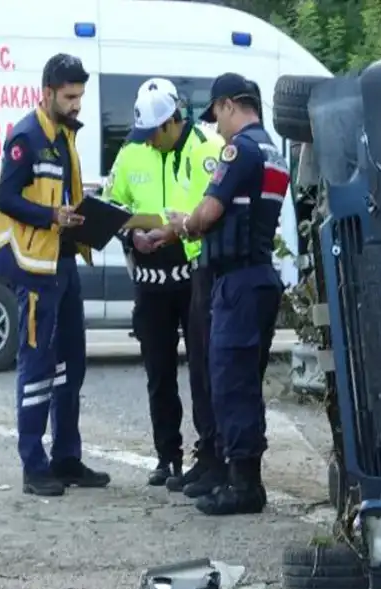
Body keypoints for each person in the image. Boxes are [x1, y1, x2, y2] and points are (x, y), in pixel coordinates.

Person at [161, 73, 286, 516]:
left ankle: (243, 485)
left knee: (231, 383)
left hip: (236, 280)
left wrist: (183, 223)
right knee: (245, 383)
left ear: (230, 104)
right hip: (259, 276)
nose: (216, 128)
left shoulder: (241, 150)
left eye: (218, 116)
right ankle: (241, 476)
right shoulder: (273, 150)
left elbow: (209, 212)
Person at [0, 54, 111, 497]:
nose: (77, 104)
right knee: (37, 367)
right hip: (34, 265)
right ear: (48, 92)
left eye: (80, 95)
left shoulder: (64, 135)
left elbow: (63, 192)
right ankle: (34, 465)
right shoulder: (27, 136)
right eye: (70, 96)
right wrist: (51, 216)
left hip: (63, 261)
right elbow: (5, 197)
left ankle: (66, 458)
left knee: (70, 366)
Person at [104, 78, 223, 489]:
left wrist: (172, 232)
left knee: (204, 372)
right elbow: (112, 204)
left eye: (154, 134)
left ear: (173, 122)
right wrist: (128, 235)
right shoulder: (133, 151)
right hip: (150, 281)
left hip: (193, 277)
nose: (149, 142)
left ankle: (209, 455)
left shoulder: (205, 149)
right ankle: (166, 456)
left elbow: (211, 212)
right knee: (159, 372)